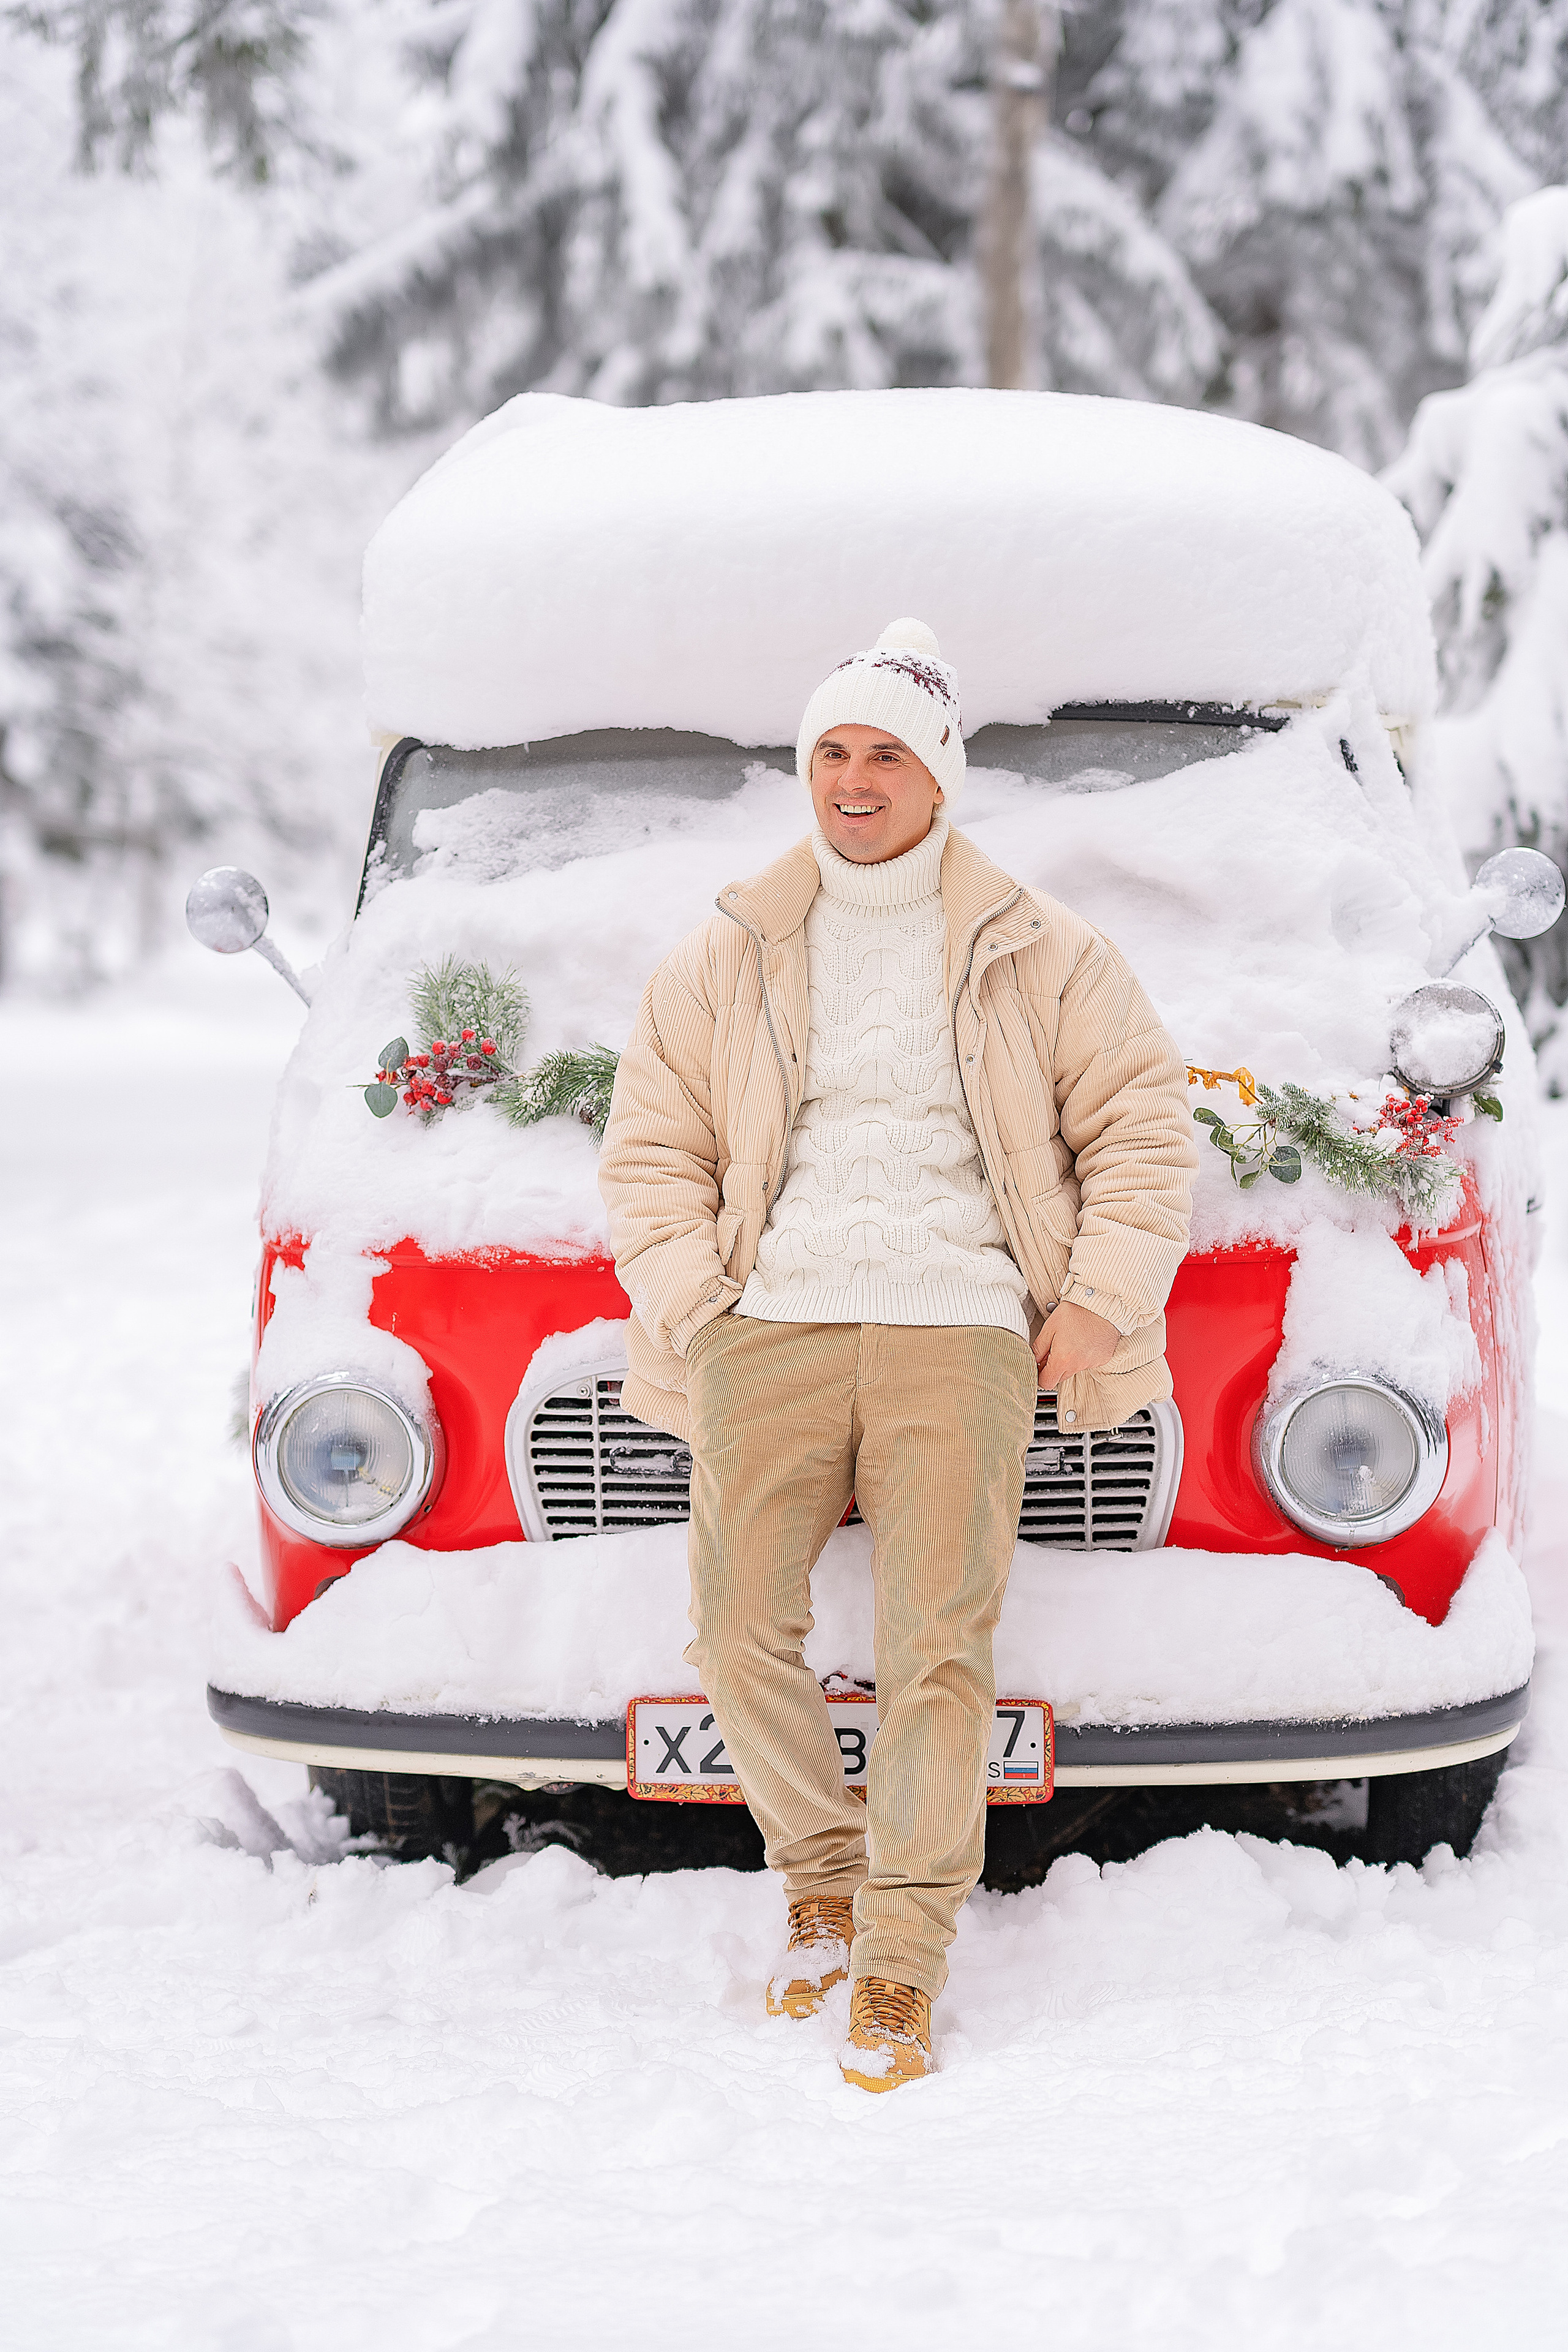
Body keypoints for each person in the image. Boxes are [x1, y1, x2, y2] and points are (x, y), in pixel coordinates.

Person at [598, 619, 1196, 2092]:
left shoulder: (1045, 951)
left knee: (940, 1652)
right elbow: (649, 1151)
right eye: (831, 753)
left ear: (940, 775)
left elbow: (1139, 1128)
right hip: (771, 1324)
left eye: (884, 754)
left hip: (961, 1326)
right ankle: (818, 1870)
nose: (853, 780)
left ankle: (901, 1955)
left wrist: (1102, 1298)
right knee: (736, 1631)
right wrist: (696, 1306)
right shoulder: (726, 949)